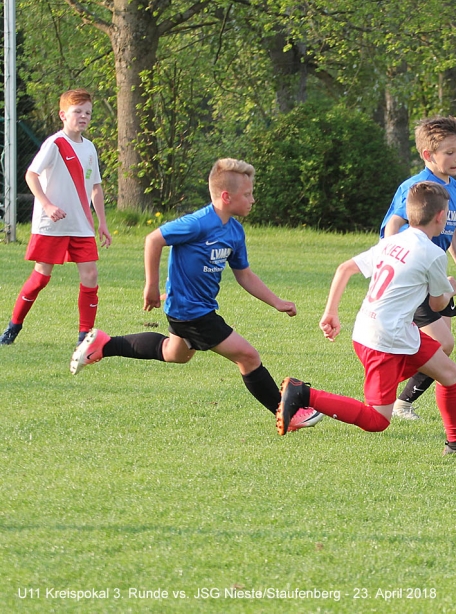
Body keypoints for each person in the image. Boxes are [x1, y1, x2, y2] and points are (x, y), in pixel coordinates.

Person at [69, 158, 323, 430]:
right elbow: (153, 239)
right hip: (191, 311)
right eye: (247, 194)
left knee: (175, 353)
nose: (252, 200)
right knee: (248, 356)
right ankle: (285, 413)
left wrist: (277, 302)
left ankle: (104, 344)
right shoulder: (198, 223)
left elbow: (244, 274)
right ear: (226, 197)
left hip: (197, 308)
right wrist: (151, 286)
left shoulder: (235, 231)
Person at [276, 181, 456, 457]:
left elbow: (345, 268)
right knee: (377, 420)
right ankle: (303, 394)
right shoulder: (432, 253)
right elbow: (437, 304)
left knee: (449, 373)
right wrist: (450, 290)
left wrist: (331, 312)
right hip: (385, 340)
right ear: (441, 216)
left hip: (381, 329)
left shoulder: (392, 241)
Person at [379, 116, 456, 421]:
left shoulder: (453, 187)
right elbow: (393, 223)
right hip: (415, 279)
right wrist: (397, 261)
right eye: (449, 152)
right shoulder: (418, 188)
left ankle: (402, 402)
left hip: (437, 277)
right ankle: (387, 384)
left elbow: (452, 230)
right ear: (427, 155)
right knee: (443, 344)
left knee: (442, 349)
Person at [1, 89, 111, 347]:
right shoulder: (55, 144)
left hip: (82, 225)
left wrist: (103, 223)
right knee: (41, 277)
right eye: (77, 112)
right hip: (52, 225)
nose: (83, 116)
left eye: (88, 113)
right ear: (63, 115)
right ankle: (13, 326)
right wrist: (48, 205)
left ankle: (84, 337)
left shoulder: (90, 148)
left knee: (91, 275)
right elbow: (31, 175)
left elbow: (96, 187)